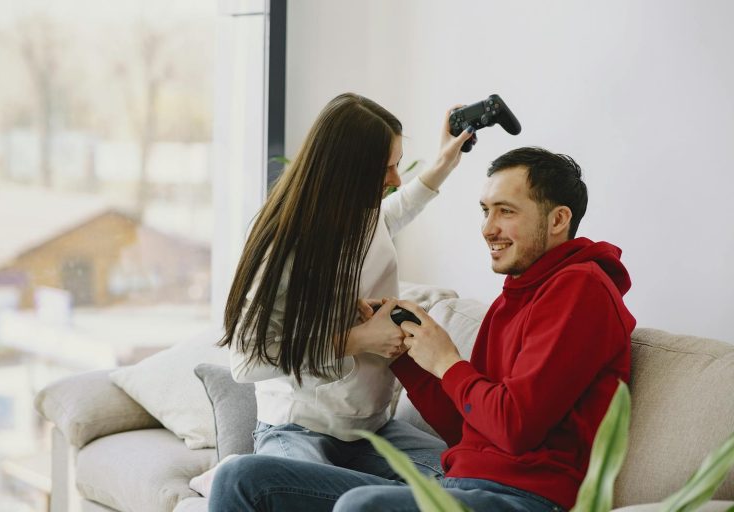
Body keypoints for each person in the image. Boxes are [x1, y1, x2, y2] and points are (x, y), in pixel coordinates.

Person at [209, 146, 636, 512]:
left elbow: (515, 427)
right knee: (240, 478)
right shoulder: (515, 296)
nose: (488, 228)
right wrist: (406, 354)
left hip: (523, 499)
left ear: (559, 219)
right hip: (463, 486)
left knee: (360, 507)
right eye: (486, 211)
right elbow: (468, 431)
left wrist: (448, 361)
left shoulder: (581, 290)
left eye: (506, 211)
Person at [209, 93, 476, 488]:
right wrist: (357, 339)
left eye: (397, 164)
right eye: (385, 168)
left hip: (372, 431)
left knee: (475, 484)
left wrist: (444, 162)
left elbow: (397, 208)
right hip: (297, 430)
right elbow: (246, 362)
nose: (395, 179)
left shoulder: (364, 218)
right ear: (346, 170)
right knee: (278, 489)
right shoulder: (283, 247)